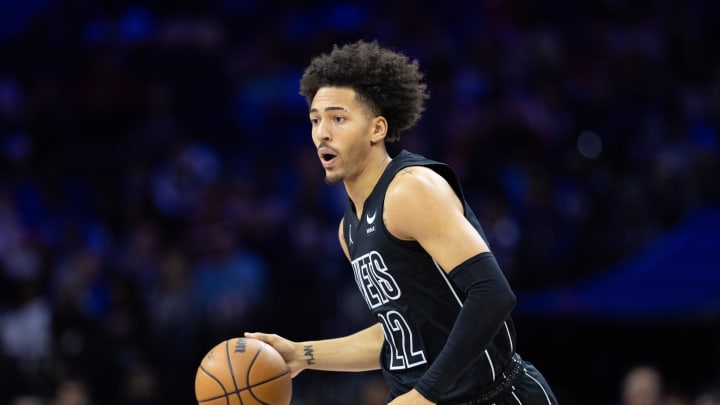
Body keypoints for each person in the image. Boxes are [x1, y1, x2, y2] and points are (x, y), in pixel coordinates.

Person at [245, 40, 557, 405]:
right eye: (315, 119)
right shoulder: (349, 231)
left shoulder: (410, 189)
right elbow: (403, 333)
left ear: (377, 129)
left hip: (496, 396)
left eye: (338, 118)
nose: (322, 133)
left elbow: (493, 295)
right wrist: (302, 354)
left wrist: (424, 394)